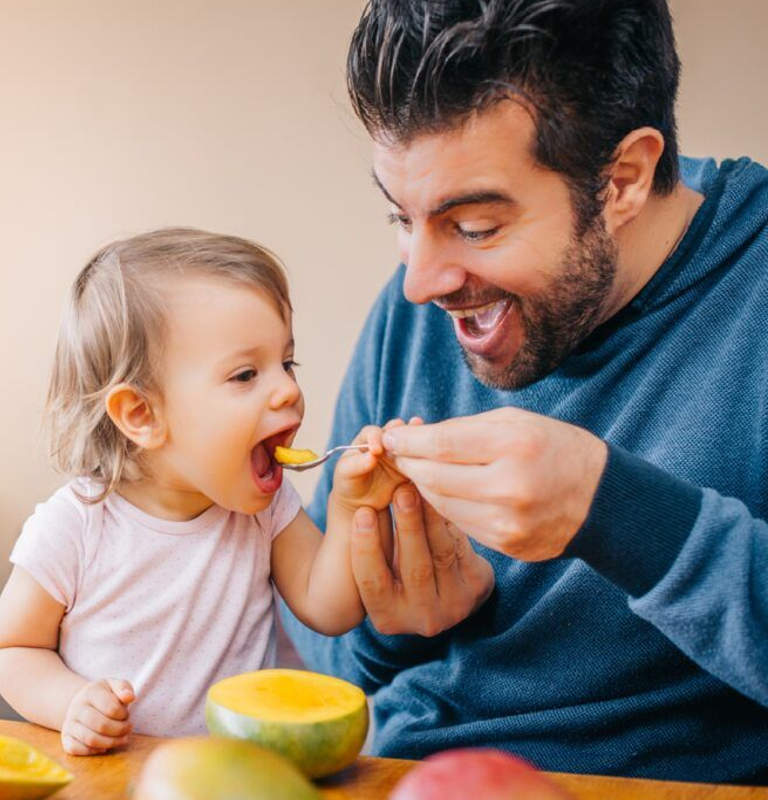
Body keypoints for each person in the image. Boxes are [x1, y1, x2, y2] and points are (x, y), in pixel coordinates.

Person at [281, 0, 768, 784]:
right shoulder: (425, 312)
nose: (421, 283)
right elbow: (321, 667)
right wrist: (391, 623)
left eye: (474, 227)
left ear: (622, 179)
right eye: (401, 217)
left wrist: (611, 510)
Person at [0, 228, 493, 756]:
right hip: (112, 775)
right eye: (246, 374)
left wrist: (349, 507)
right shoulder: (77, 524)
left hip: (236, 772)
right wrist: (71, 703)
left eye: (287, 364)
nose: (289, 390)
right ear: (142, 415)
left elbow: (329, 609)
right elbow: (11, 646)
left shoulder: (264, 509)